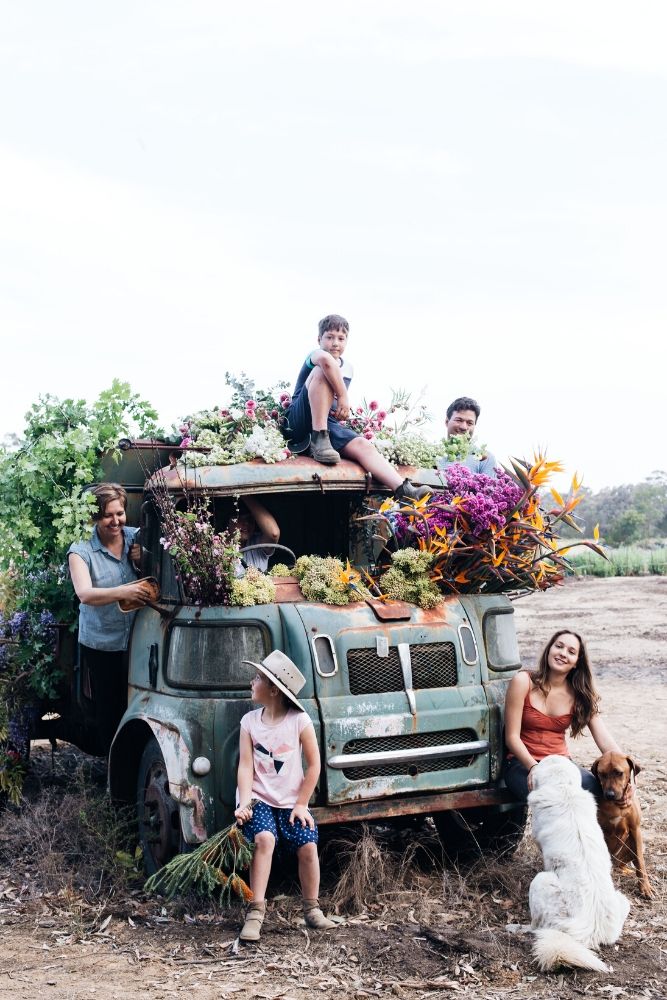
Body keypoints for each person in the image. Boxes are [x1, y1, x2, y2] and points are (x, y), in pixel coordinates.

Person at [234, 650, 335, 942]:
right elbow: (245, 766)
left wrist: (302, 803)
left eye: (258, 678)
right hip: (259, 799)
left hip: (292, 801)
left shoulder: (298, 721)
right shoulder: (249, 722)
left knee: (307, 845)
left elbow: (315, 764)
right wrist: (243, 802)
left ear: (274, 690)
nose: (252, 682)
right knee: (264, 839)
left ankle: (312, 909)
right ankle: (255, 912)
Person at [286, 314, 430, 502]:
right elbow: (327, 363)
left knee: (363, 444)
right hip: (300, 418)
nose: (335, 343)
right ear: (319, 339)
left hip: (327, 421)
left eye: (341, 338)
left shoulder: (348, 368)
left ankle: (404, 490)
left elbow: (333, 404)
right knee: (322, 369)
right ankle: (318, 438)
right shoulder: (316, 355)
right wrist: (344, 396)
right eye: (329, 337)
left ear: (347, 341)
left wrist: (340, 408)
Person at [68, 483, 155, 752]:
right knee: (109, 709)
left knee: (139, 703)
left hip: (139, 640)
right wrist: (124, 591)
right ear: (95, 516)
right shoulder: (81, 550)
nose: (116, 521)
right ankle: (113, 779)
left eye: (120, 513)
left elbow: (160, 573)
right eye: (108, 515)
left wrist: (143, 560)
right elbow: (85, 594)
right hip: (102, 643)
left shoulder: (137, 538)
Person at [503, 629, 628, 802]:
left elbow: (605, 741)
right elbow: (511, 737)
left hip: (561, 765)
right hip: (522, 763)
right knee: (552, 797)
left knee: (596, 790)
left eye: (571, 652)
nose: (562, 653)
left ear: (577, 662)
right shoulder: (523, 681)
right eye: (559, 646)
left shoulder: (580, 694)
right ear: (549, 650)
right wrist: (534, 767)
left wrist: (628, 777)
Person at [436, 396, 498, 477]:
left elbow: (489, 488)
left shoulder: (485, 458)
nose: (463, 427)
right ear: (447, 422)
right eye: (459, 420)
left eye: (469, 423)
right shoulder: (431, 454)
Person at [230, 496, 280, 574]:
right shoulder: (218, 550)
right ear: (229, 522)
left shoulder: (258, 544)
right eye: (240, 518)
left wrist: (244, 495)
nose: (246, 523)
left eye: (250, 518)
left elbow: (274, 533)